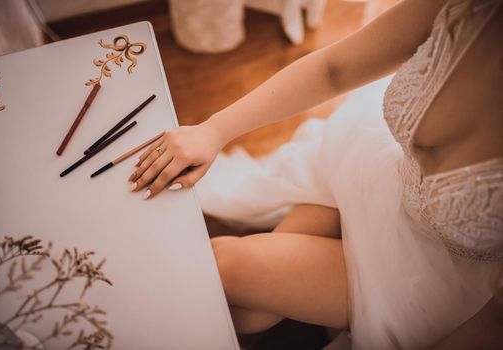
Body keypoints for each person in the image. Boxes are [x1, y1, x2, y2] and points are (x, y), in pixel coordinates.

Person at [128, 0, 503, 348]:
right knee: (245, 309)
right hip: (375, 171)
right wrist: (214, 129)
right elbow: (333, 69)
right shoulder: (472, 7)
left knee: (229, 277)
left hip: (435, 276)